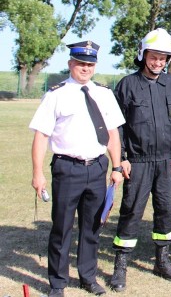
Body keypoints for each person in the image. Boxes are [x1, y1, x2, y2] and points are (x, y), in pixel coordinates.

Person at [30, 41, 125, 297]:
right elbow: (41, 136)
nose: (85, 68)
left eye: (90, 64)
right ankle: (58, 283)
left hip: (97, 168)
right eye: (81, 63)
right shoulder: (56, 94)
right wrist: (37, 173)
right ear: (71, 64)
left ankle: (88, 276)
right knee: (62, 228)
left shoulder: (104, 94)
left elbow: (114, 133)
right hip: (67, 168)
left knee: (92, 227)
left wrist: (116, 166)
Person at [109, 28, 171, 292]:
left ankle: (162, 260)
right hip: (138, 161)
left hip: (167, 162)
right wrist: (121, 157)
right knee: (132, 210)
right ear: (143, 55)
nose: (158, 62)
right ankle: (120, 266)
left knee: (165, 210)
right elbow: (116, 126)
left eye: (163, 58)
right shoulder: (127, 85)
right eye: (154, 57)